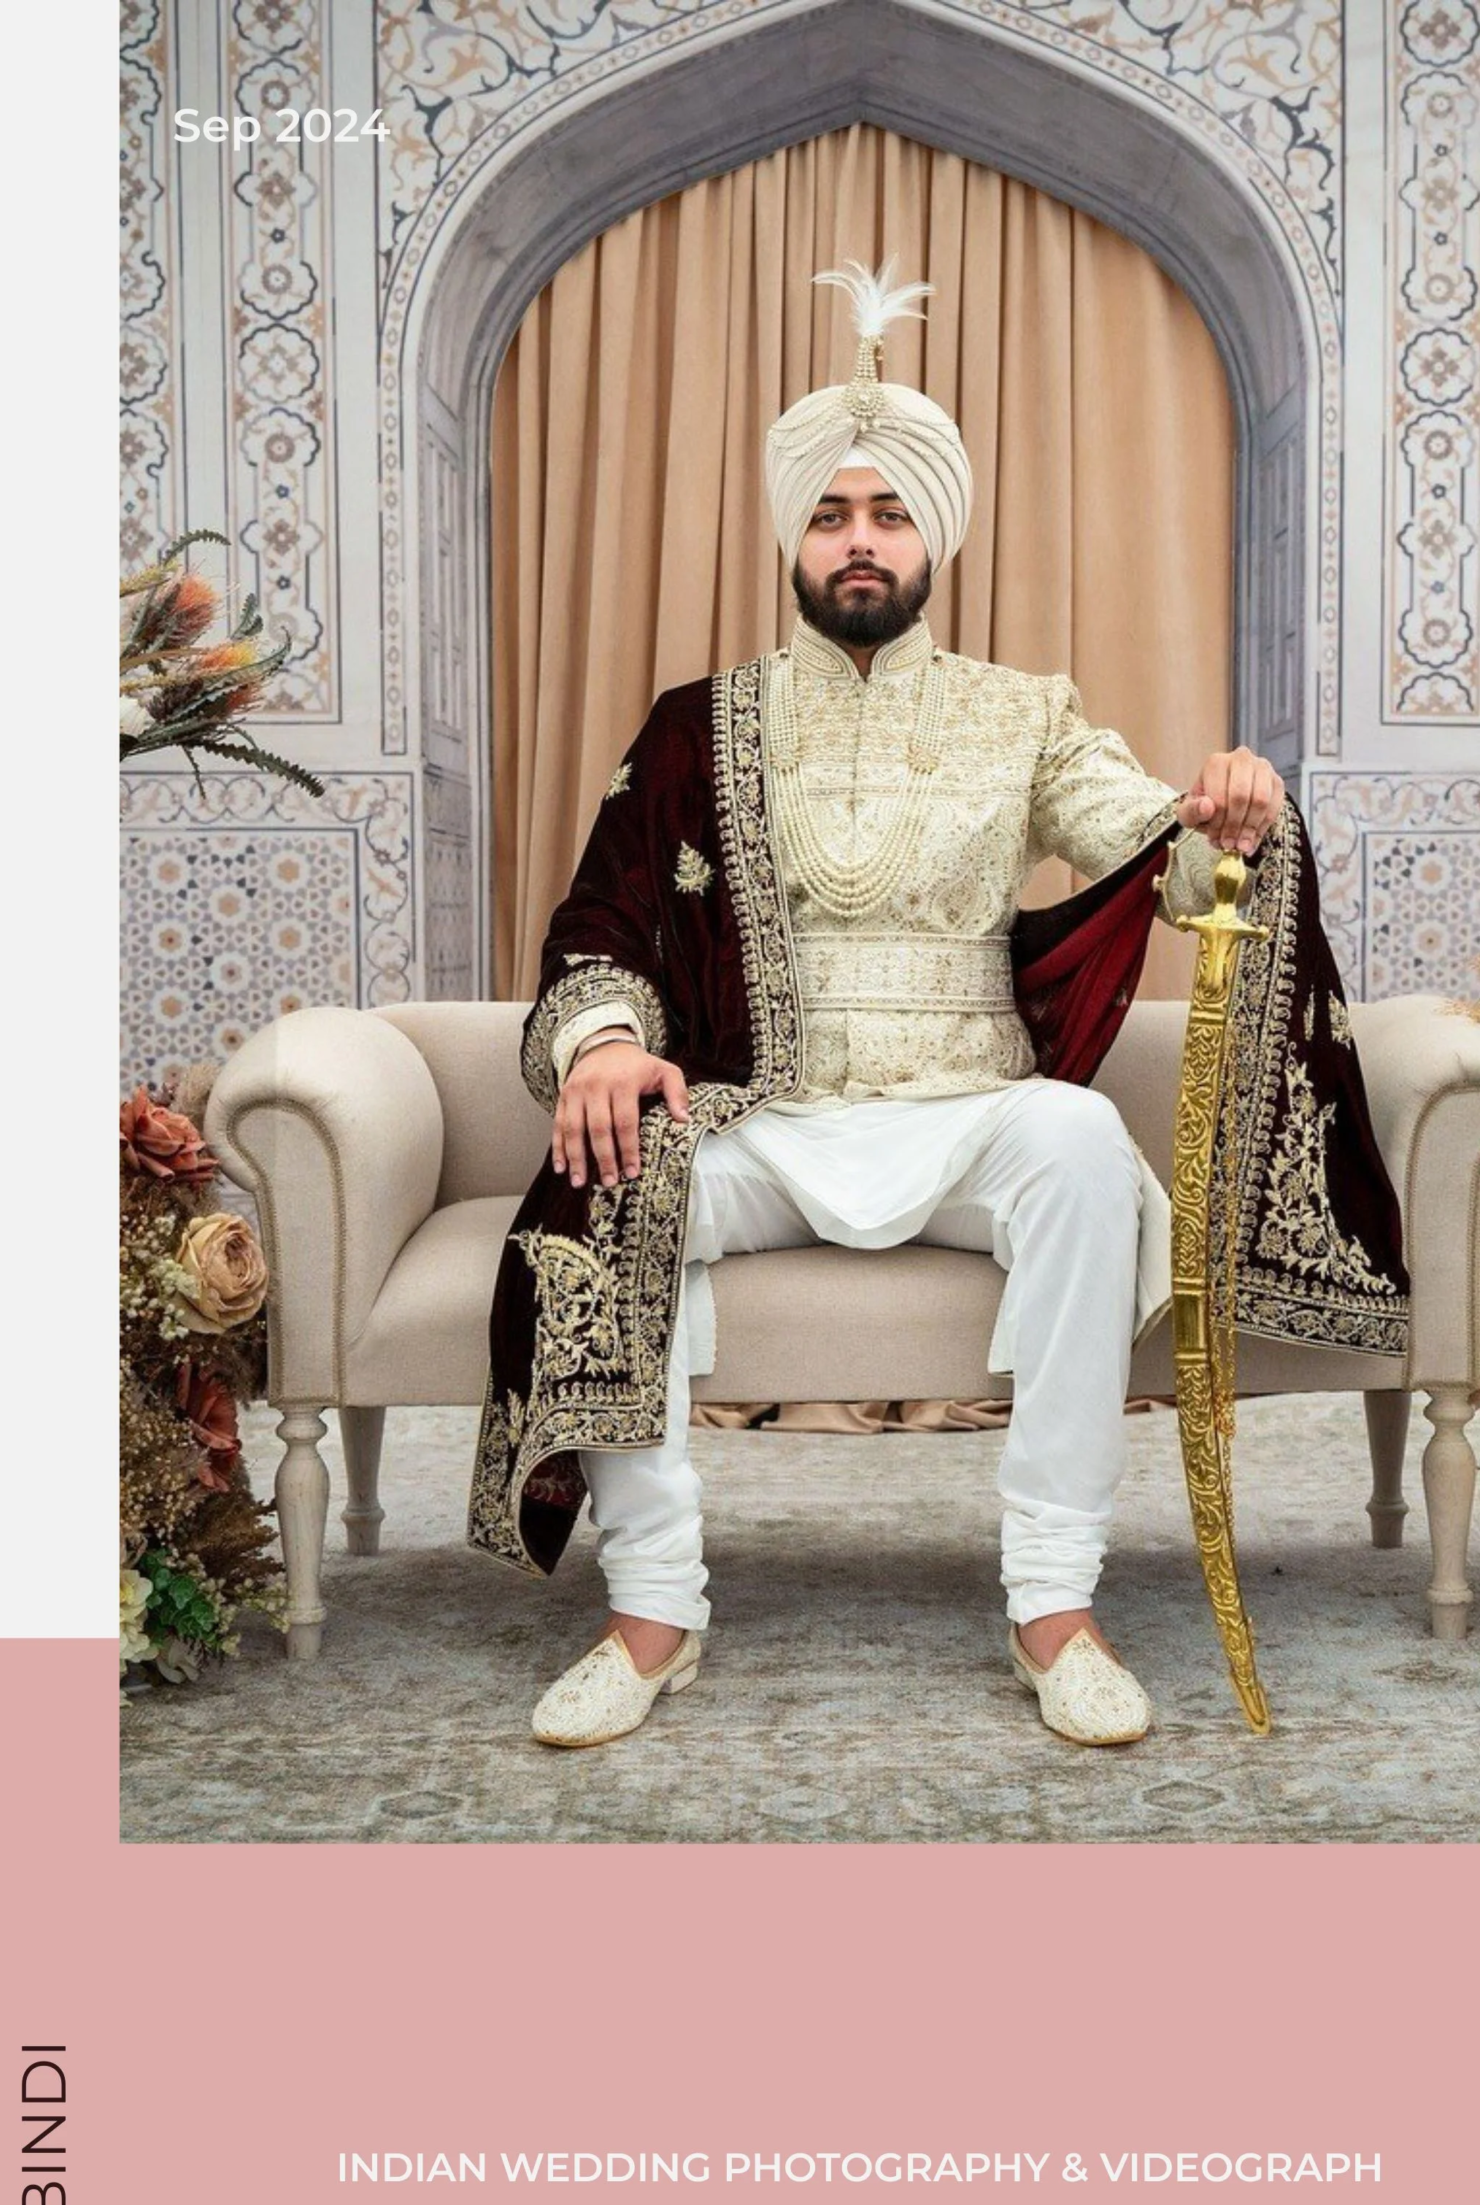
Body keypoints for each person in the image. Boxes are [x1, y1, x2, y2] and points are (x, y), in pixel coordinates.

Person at [466, 261, 1364, 1753]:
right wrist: (608, 1043)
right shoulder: (699, 724)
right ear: (792, 541)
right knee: (612, 1172)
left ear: (933, 535)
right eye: (830, 513)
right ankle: (652, 1612)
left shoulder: (1024, 712)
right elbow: (602, 921)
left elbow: (1167, 863)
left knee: (1077, 1145)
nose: (858, 540)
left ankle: (1053, 1604)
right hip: (765, 1112)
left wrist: (1230, 820)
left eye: (886, 514)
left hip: (966, 1120)